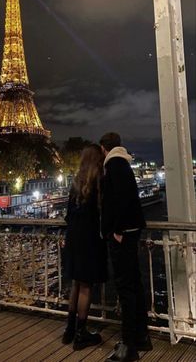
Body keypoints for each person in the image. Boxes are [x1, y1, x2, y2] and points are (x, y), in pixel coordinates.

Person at [100, 132, 152, 362]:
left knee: (125, 289)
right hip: (131, 231)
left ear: (104, 148)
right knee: (134, 286)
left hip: (123, 235)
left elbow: (119, 200)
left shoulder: (114, 164)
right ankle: (140, 337)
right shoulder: (122, 163)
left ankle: (129, 346)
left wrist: (117, 231)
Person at [62, 144, 107, 350]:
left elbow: (68, 215)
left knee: (75, 284)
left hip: (73, 238)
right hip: (89, 238)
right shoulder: (99, 180)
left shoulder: (75, 182)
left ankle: (69, 330)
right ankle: (81, 334)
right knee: (86, 287)